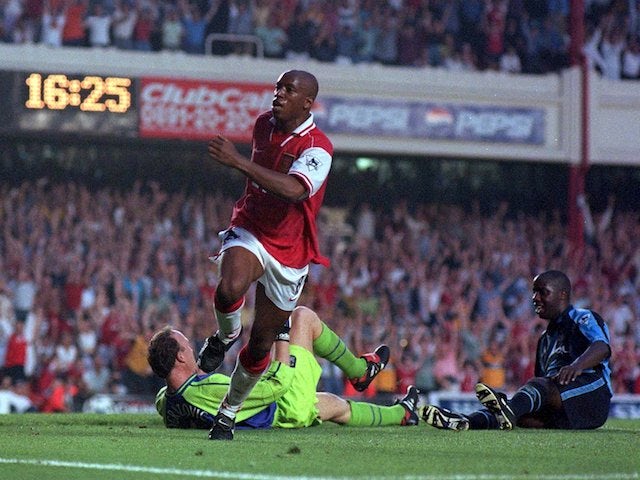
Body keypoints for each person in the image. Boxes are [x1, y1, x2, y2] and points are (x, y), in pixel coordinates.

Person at [198, 70, 341, 440]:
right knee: (230, 288)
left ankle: (228, 413)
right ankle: (226, 336)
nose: (278, 94)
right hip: (251, 228)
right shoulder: (264, 124)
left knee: (262, 343)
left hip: (291, 252)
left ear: (307, 102)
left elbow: (295, 190)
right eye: (277, 87)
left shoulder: (318, 148)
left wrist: (238, 162)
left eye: (288, 90)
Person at [149, 306, 419, 430]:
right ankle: (360, 370)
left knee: (336, 406)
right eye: (188, 346)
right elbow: (276, 387)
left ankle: (402, 414)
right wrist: (282, 337)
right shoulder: (206, 388)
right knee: (302, 317)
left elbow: (171, 401)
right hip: (281, 403)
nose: (193, 349)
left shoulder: (167, 401)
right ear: (180, 359)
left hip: (278, 414)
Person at [422, 270, 612, 431]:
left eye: (542, 292)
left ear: (562, 294)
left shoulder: (582, 317)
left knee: (521, 401)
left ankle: (506, 409)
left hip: (593, 396)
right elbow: (541, 386)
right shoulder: (545, 339)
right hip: (565, 406)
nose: (535, 298)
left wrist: (576, 366)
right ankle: (465, 421)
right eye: (534, 292)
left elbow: (602, 347)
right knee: (520, 415)